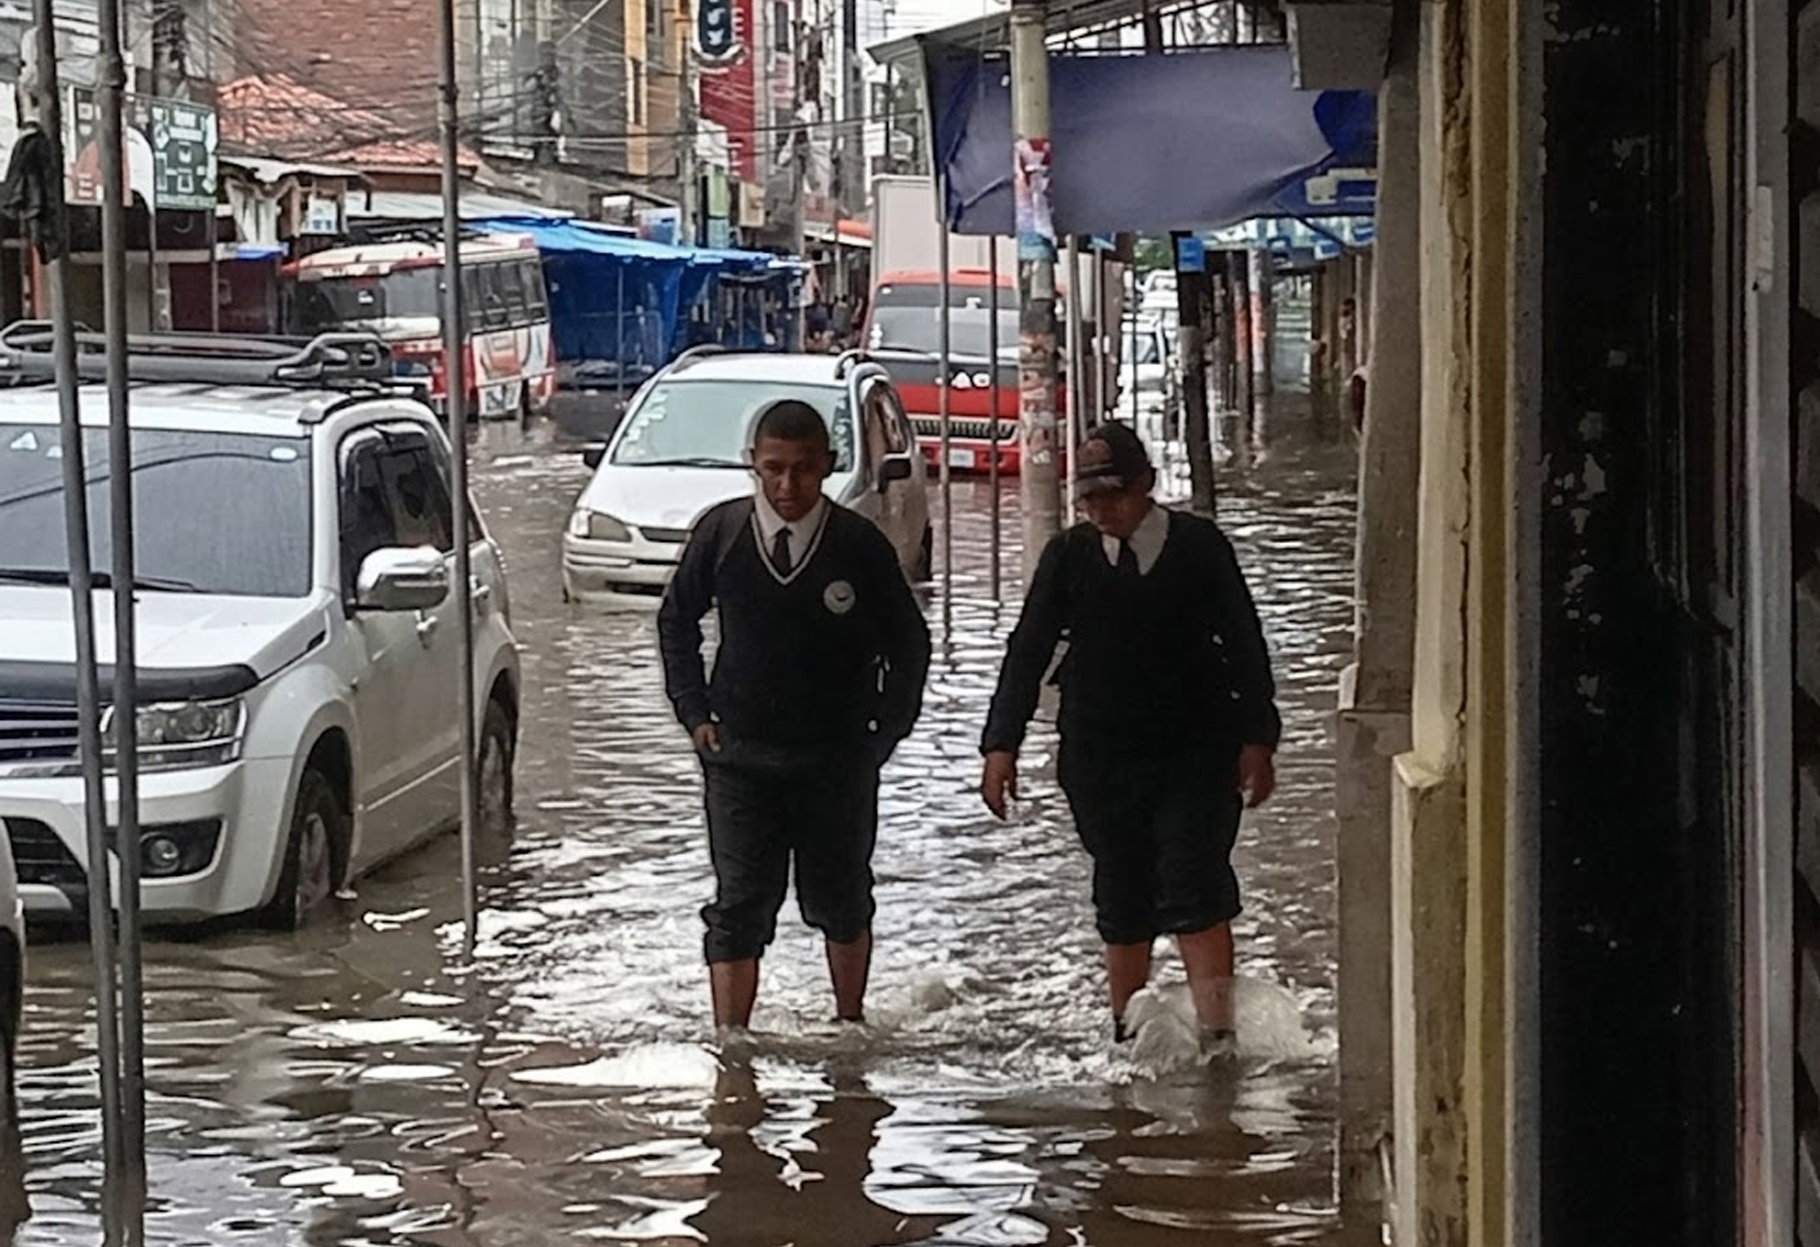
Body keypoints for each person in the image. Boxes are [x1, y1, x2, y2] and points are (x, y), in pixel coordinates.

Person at [977, 421, 1280, 1053]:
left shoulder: (1199, 548)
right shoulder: (1069, 557)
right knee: (1121, 891)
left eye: (1113, 494)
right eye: (1089, 497)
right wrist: (1000, 745)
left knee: (1197, 884)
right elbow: (1027, 650)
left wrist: (1259, 738)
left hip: (1196, 752)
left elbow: (1245, 644)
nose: (1102, 509)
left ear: (1147, 484)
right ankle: (1128, 1035)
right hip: (1100, 758)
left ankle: (1217, 1037)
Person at [658, 399, 932, 1032]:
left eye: (803, 470)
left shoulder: (857, 544)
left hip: (836, 759)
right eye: (774, 469)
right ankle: (732, 1048)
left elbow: (909, 642)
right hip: (739, 757)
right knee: (738, 904)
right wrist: (694, 713)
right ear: (752, 464)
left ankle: (849, 1025)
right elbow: (676, 621)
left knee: (841, 897)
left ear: (827, 466)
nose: (787, 485)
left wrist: (885, 731)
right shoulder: (722, 534)